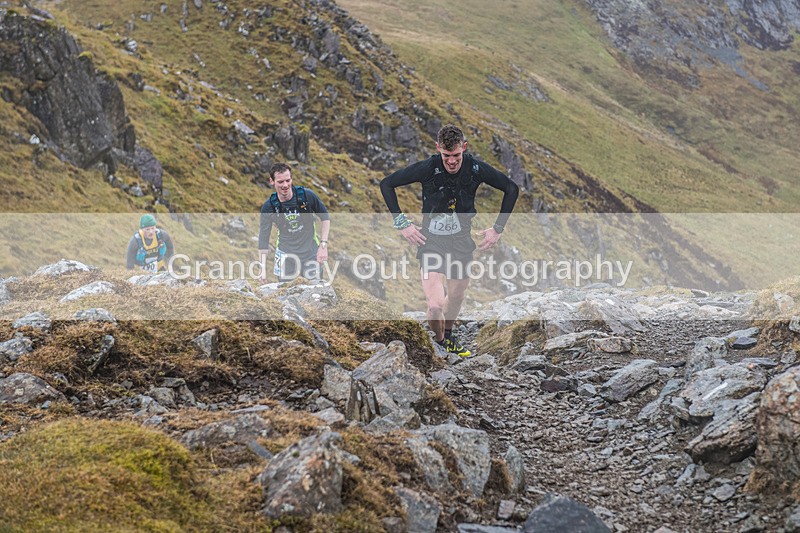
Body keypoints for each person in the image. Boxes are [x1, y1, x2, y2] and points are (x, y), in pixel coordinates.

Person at [380, 124, 519, 357]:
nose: (452, 161)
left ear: (464, 147)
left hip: (461, 242)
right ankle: (440, 343)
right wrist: (402, 223)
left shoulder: (474, 168)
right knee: (435, 305)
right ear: (438, 149)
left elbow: (511, 189)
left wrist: (497, 229)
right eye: (446, 156)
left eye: (456, 155)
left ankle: (449, 335)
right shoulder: (428, 167)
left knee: (456, 296)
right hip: (432, 242)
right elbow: (387, 184)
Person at [258, 162, 330, 282]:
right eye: (280, 182)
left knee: (315, 288)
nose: (285, 185)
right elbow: (263, 238)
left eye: (288, 180)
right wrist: (262, 268)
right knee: (285, 290)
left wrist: (323, 245)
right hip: (285, 255)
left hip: (310, 252)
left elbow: (325, 217)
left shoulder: (307, 196)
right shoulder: (269, 207)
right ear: (272, 181)